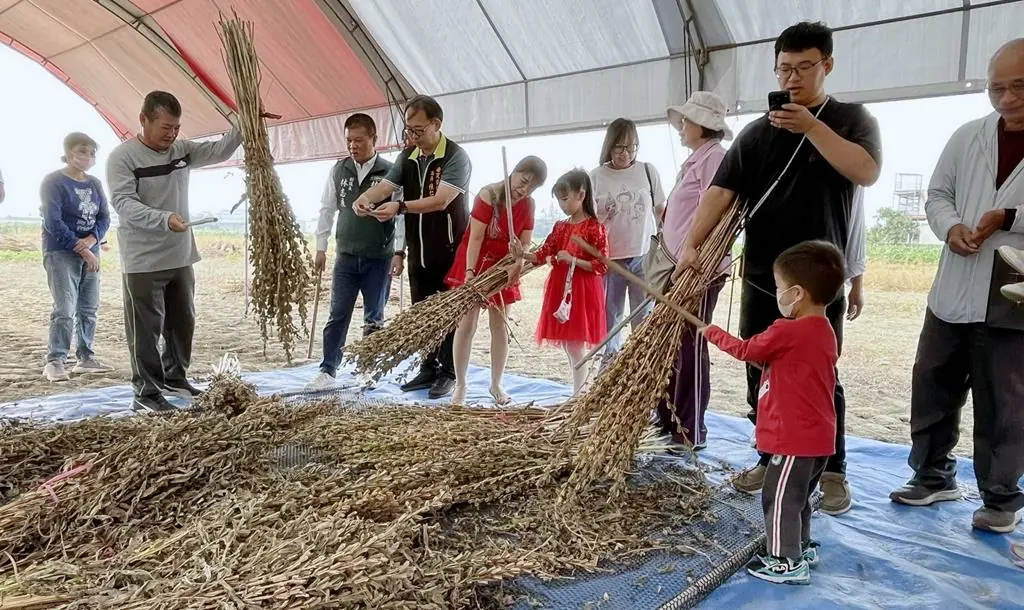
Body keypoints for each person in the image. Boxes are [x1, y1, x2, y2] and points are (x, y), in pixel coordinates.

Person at [676, 21, 882, 515]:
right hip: (763, 275)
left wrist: (812, 127)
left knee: (818, 375)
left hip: (817, 281)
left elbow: (866, 171)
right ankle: (771, 455)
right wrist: (691, 245)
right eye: (783, 68)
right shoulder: (756, 133)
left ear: (826, 65)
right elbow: (720, 192)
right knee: (759, 367)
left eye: (803, 67)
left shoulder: (851, 120)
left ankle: (832, 468)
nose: (791, 78)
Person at [889, 39, 1024, 534]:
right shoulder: (968, 135)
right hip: (953, 286)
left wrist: (1011, 216)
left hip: (1013, 293)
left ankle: (1001, 496)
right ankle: (932, 474)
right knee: (933, 381)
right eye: (997, 88)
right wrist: (950, 227)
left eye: (1019, 87)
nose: (1007, 98)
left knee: (1005, 400)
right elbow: (938, 194)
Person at [701, 240, 846, 585]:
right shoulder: (825, 331)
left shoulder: (787, 331)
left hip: (793, 439)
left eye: (780, 287)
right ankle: (802, 545)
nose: (777, 293)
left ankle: (785, 561)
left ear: (797, 293)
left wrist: (712, 333)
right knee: (799, 497)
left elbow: (747, 350)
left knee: (777, 498)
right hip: (820, 440)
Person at [107, 91, 243, 413]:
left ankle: (175, 376)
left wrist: (243, 122)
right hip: (143, 259)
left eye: (176, 128)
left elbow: (218, 150)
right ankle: (147, 391)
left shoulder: (181, 150)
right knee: (146, 327)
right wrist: (163, 219)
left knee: (183, 321)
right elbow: (124, 204)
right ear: (144, 120)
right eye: (165, 127)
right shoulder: (123, 158)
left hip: (180, 255)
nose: (172, 134)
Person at [353, 95, 472, 399]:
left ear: (436, 124)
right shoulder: (408, 156)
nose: (413, 136)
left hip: (450, 249)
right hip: (418, 249)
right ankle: (428, 366)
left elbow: (441, 200)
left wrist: (399, 207)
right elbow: (387, 185)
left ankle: (449, 372)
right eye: (409, 130)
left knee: (447, 312)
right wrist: (367, 198)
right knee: (421, 311)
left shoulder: (456, 157)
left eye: (418, 130)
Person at [656, 92, 731, 449]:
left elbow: (715, 208)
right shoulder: (697, 159)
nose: (681, 127)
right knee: (669, 345)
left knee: (689, 346)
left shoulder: (714, 157)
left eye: (686, 121)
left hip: (699, 269)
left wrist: (693, 252)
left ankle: (689, 429)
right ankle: (667, 421)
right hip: (678, 265)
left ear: (703, 124)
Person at [448, 156, 548, 405]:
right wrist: (470, 274)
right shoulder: (488, 195)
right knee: (467, 325)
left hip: (503, 266)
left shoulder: (529, 205)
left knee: (499, 325)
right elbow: (476, 238)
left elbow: (525, 242)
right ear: (514, 171)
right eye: (523, 181)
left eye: (531, 187)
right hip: (477, 260)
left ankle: (496, 384)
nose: (523, 190)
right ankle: (460, 385)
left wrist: (518, 261)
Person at [308, 113, 396, 389]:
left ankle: (368, 370)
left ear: (374, 139)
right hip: (345, 255)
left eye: (359, 140)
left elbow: (401, 216)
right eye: (349, 141)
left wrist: (400, 252)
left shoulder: (390, 171)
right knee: (338, 313)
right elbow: (326, 209)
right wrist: (321, 247)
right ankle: (327, 370)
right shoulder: (339, 169)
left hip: (379, 256)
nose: (353, 146)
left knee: (374, 317)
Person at [524, 169, 608, 395]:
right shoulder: (560, 227)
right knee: (568, 344)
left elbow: (601, 265)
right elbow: (542, 254)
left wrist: (574, 260)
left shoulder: (594, 227)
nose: (562, 204)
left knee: (574, 343)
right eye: (559, 199)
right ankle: (579, 390)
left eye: (565, 198)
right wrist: (522, 255)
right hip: (561, 287)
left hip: (581, 289)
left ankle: (579, 394)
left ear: (581, 195)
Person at [39, 132, 113, 382]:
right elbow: (53, 221)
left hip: (89, 248)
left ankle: (86, 357)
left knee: (89, 307)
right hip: (61, 251)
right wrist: (80, 248)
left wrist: (92, 242)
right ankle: (55, 360)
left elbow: (104, 217)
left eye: (92, 153)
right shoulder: (54, 181)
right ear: (69, 153)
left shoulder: (94, 183)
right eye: (83, 151)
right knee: (64, 308)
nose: (88, 157)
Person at [590, 118, 665, 363]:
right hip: (609, 260)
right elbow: (589, 221)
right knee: (610, 320)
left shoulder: (647, 170)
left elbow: (660, 210)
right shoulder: (596, 176)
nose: (626, 153)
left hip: (642, 257)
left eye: (632, 147)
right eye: (620, 147)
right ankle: (609, 369)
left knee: (643, 319)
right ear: (609, 147)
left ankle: (639, 368)